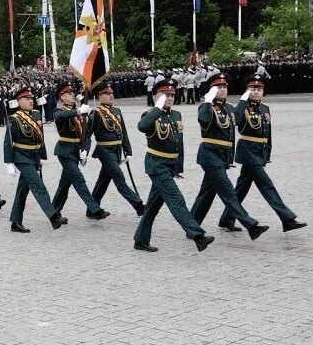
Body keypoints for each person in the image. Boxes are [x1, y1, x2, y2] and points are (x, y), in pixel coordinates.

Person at [217, 73, 307, 233]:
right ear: (247, 91)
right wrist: (242, 102)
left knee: (240, 189)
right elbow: (235, 121)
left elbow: (267, 133)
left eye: (259, 89)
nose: (256, 92)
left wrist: (267, 154)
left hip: (259, 152)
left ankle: (226, 219)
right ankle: (287, 219)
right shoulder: (242, 107)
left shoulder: (265, 109)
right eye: (253, 89)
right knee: (267, 186)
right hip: (248, 151)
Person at [132, 79, 215, 253]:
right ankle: (197, 235)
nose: (169, 98)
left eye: (171, 95)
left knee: (153, 206)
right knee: (176, 199)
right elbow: (142, 127)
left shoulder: (176, 115)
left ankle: (140, 239)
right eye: (165, 95)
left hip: (169, 166)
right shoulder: (150, 114)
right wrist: (157, 107)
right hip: (156, 165)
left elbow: (179, 143)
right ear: (156, 96)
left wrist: (177, 167)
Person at [190, 72, 269, 239]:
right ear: (211, 89)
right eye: (218, 86)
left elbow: (236, 125)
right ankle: (250, 225)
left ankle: (192, 225)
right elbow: (203, 120)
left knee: (206, 194)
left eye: (225, 86)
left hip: (221, 156)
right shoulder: (207, 107)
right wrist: (206, 101)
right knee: (228, 192)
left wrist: (242, 102)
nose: (223, 89)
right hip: (210, 156)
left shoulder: (229, 108)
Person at [5, 88, 64, 232]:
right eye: (26, 99)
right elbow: (8, 141)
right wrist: (9, 162)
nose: (30, 101)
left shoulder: (37, 114)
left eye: (31, 98)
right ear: (19, 102)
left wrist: (41, 157)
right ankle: (53, 216)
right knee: (39, 186)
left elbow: (40, 137)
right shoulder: (15, 118)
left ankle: (15, 222)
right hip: (22, 157)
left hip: (34, 156)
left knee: (22, 191)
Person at [50, 84, 108, 221]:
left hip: (76, 151)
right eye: (69, 94)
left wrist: (85, 151)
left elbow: (86, 134)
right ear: (62, 97)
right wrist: (78, 112)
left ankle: (53, 212)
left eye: (73, 93)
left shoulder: (80, 112)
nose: (72, 95)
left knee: (64, 185)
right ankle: (95, 210)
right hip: (65, 151)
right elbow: (59, 117)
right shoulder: (60, 110)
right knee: (79, 180)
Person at [87, 79, 145, 216]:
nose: (111, 96)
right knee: (120, 180)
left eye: (112, 93)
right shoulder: (96, 113)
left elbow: (123, 132)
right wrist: (84, 150)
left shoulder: (117, 111)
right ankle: (139, 206)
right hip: (104, 150)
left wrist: (128, 150)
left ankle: (91, 209)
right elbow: (87, 134)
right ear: (100, 97)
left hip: (117, 150)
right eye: (107, 94)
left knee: (103, 181)